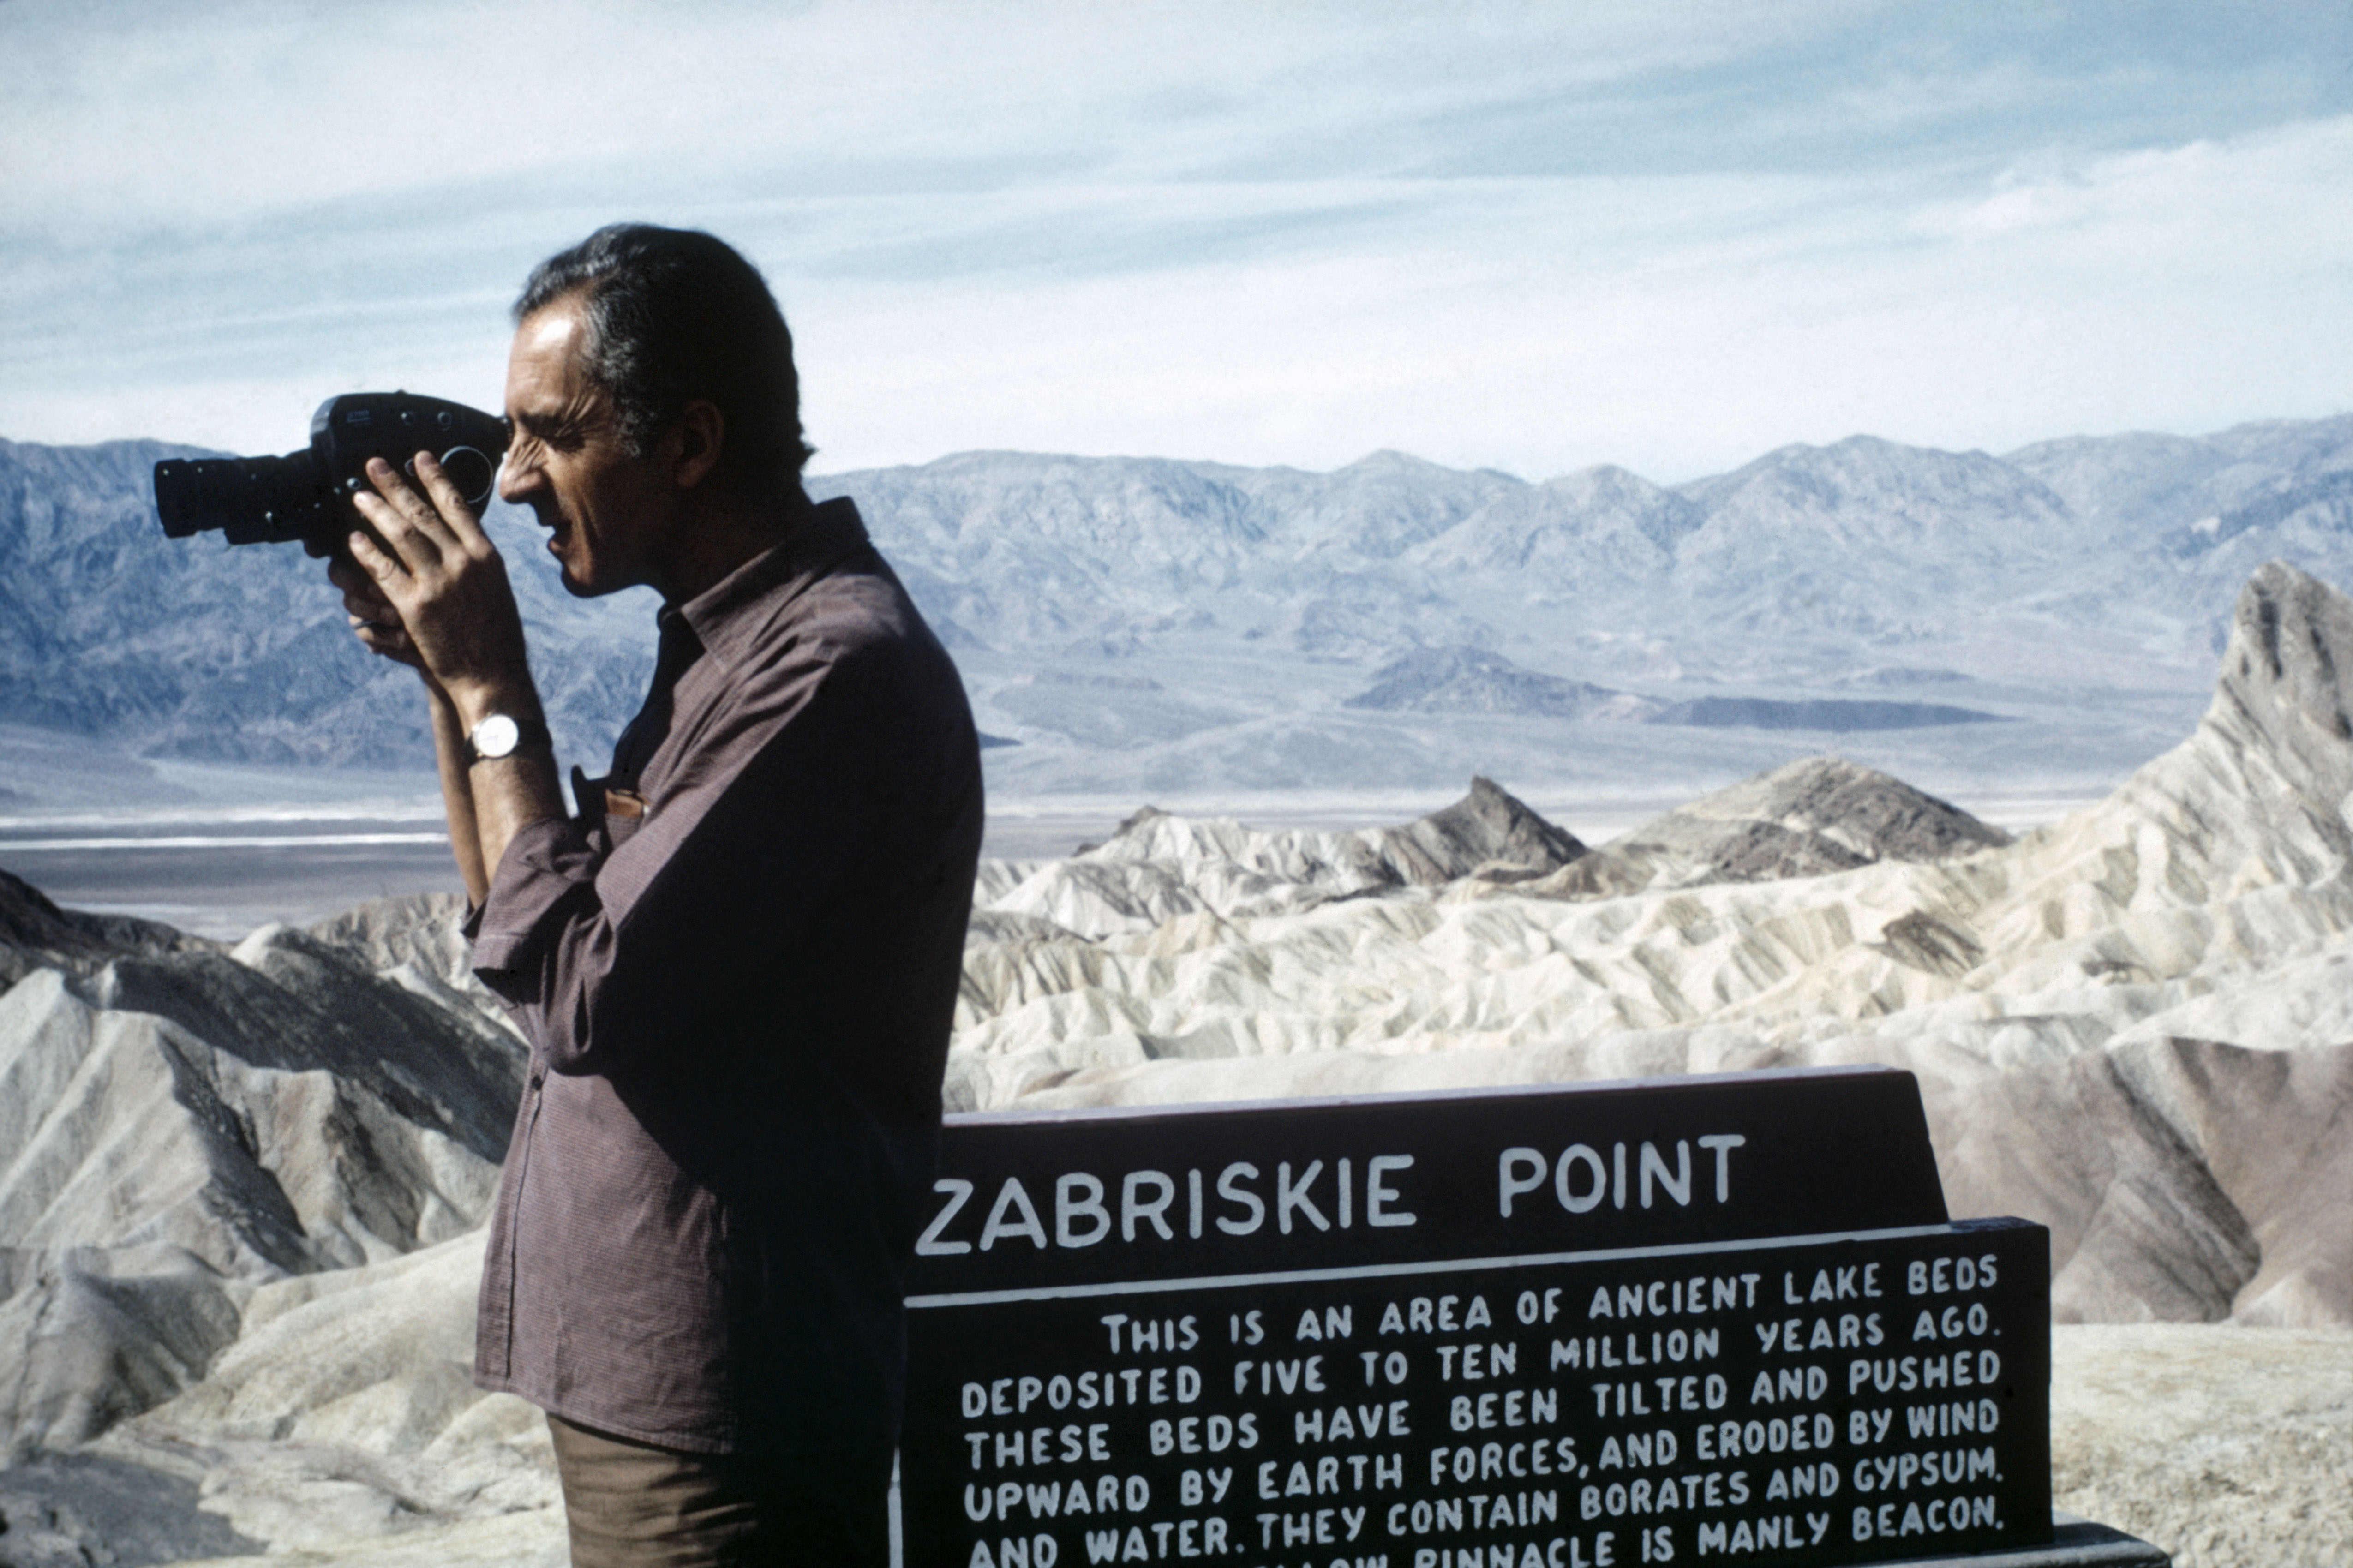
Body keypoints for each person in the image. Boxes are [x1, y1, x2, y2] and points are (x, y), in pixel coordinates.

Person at [329, 223, 984, 1565]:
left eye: (548, 436)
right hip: (663, 1397)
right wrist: (452, 694)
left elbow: (580, 996)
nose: (508, 483)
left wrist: (500, 690)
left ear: (688, 443)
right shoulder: (723, 654)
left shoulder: (823, 672)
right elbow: (532, 937)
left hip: (727, 1418)